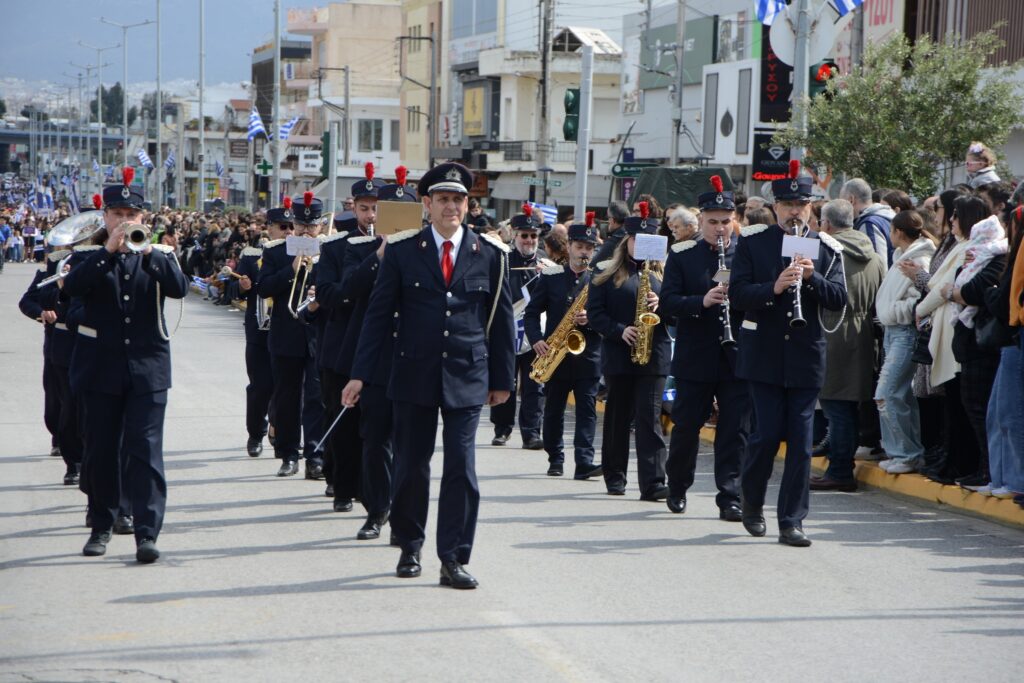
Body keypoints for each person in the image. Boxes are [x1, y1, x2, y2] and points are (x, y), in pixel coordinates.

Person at [342, 162, 515, 589]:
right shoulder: (403, 252)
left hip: (468, 374)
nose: (451, 206)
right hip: (413, 372)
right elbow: (378, 318)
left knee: (462, 468)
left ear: (468, 206)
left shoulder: (490, 254)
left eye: (458, 199)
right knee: (412, 466)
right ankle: (410, 544)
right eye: (443, 199)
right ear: (427, 204)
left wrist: (503, 379)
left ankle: (453, 557)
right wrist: (360, 375)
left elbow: (501, 320)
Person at [62, 168, 189, 563]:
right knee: (100, 451)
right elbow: (74, 290)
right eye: (117, 214)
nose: (124, 221)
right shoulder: (85, 256)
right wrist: (108, 252)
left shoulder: (159, 256)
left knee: (146, 451)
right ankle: (102, 523)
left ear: (142, 219)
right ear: (105, 217)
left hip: (148, 369)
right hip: (100, 370)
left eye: (131, 215)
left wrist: (148, 250)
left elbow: (179, 288)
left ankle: (147, 533)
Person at [730, 161, 847, 547]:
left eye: (802, 204)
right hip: (763, 356)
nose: (796, 211)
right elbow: (737, 295)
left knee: (800, 442)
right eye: (788, 204)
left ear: (811, 208)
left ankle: (792, 521)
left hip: (805, 357)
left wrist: (812, 278)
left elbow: (839, 299)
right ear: (776, 206)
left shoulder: (826, 248)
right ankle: (751, 501)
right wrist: (773, 288)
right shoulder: (753, 242)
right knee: (764, 436)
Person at [660, 176, 750, 520]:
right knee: (686, 426)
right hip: (695, 356)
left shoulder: (746, 255)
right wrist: (702, 301)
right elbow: (668, 303)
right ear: (702, 222)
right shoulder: (684, 255)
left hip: (736, 356)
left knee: (734, 431)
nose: (720, 229)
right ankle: (678, 485)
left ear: (734, 221)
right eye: (712, 222)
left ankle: (730, 496)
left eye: (725, 222)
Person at [339, 167, 416, 539]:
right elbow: (351, 290)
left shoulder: (427, 254)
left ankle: (403, 513)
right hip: (378, 360)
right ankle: (376, 509)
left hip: (415, 359)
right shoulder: (361, 250)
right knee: (374, 442)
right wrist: (384, 251)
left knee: (410, 447)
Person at [587, 201, 671, 501]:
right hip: (619, 354)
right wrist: (619, 330)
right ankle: (615, 476)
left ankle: (653, 482)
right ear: (628, 241)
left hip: (655, 354)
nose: (641, 246)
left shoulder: (665, 276)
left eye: (648, 242)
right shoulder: (606, 273)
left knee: (649, 419)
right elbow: (595, 314)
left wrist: (662, 305)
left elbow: (680, 314)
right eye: (637, 240)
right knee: (617, 418)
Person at [315, 165, 383, 510]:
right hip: (343, 348)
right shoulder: (335, 248)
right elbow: (331, 294)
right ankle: (342, 487)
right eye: (365, 208)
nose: (371, 215)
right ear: (352, 207)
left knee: (378, 430)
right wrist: (376, 258)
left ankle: (373, 494)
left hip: (383, 350)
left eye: (377, 208)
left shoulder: (405, 246)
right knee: (341, 422)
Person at [809, 199, 886, 492]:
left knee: (836, 408)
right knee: (846, 407)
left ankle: (841, 470)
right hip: (863, 333)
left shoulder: (823, 248)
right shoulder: (874, 255)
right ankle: (840, 466)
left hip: (832, 331)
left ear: (826, 223)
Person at [914, 195, 991, 484]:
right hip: (945, 327)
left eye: (956, 215)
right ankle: (952, 461)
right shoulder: (959, 246)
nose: (951, 220)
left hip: (954, 328)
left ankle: (961, 464)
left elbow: (945, 288)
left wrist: (920, 309)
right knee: (953, 404)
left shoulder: (970, 248)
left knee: (961, 405)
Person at [524, 212, 603, 480]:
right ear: (568, 246)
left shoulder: (598, 279)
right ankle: (555, 458)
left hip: (588, 355)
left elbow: (609, 316)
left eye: (589, 248)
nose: (584, 252)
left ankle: (584, 461)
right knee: (554, 409)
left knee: (587, 411)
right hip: (554, 354)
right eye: (580, 246)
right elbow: (532, 312)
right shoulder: (552, 276)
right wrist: (536, 339)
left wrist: (591, 319)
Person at [256, 193, 325, 479]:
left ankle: (315, 456)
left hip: (318, 337)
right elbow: (263, 288)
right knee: (287, 398)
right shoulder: (275, 252)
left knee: (316, 398)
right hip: (286, 336)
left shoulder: (329, 251)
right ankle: (288, 454)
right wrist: (291, 269)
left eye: (312, 225)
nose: (306, 230)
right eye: (301, 225)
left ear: (320, 225)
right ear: (293, 224)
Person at [944, 207, 1008, 489]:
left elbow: (973, 292)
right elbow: (963, 281)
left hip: (984, 346)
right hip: (969, 344)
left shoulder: (997, 258)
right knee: (973, 407)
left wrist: (951, 293)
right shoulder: (975, 258)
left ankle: (990, 471)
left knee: (982, 409)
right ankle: (985, 468)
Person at [874, 210, 936, 474]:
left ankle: (906, 453)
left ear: (898, 232)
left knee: (886, 393)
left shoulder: (920, 259)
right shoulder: (901, 256)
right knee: (900, 394)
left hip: (905, 332)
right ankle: (903, 452)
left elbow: (921, 298)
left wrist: (896, 311)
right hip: (892, 331)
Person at [490, 205, 546, 449]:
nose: (529, 240)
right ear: (514, 235)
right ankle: (502, 429)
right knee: (506, 381)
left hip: (536, 334)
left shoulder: (546, 263)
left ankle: (532, 432)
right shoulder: (503, 260)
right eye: (524, 235)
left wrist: (547, 276)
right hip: (508, 330)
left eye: (533, 236)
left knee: (535, 385)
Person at [235, 206, 289, 457]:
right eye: (282, 227)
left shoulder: (301, 254)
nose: (288, 232)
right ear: (270, 228)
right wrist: (243, 287)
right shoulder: (252, 254)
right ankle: (255, 432)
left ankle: (279, 428)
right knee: (260, 386)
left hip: (287, 329)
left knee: (285, 386)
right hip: (259, 329)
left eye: (291, 227)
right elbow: (237, 289)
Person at [841, 177, 894, 268]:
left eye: (842, 201)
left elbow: (879, 265)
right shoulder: (888, 216)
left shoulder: (869, 224)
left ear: (851, 200)